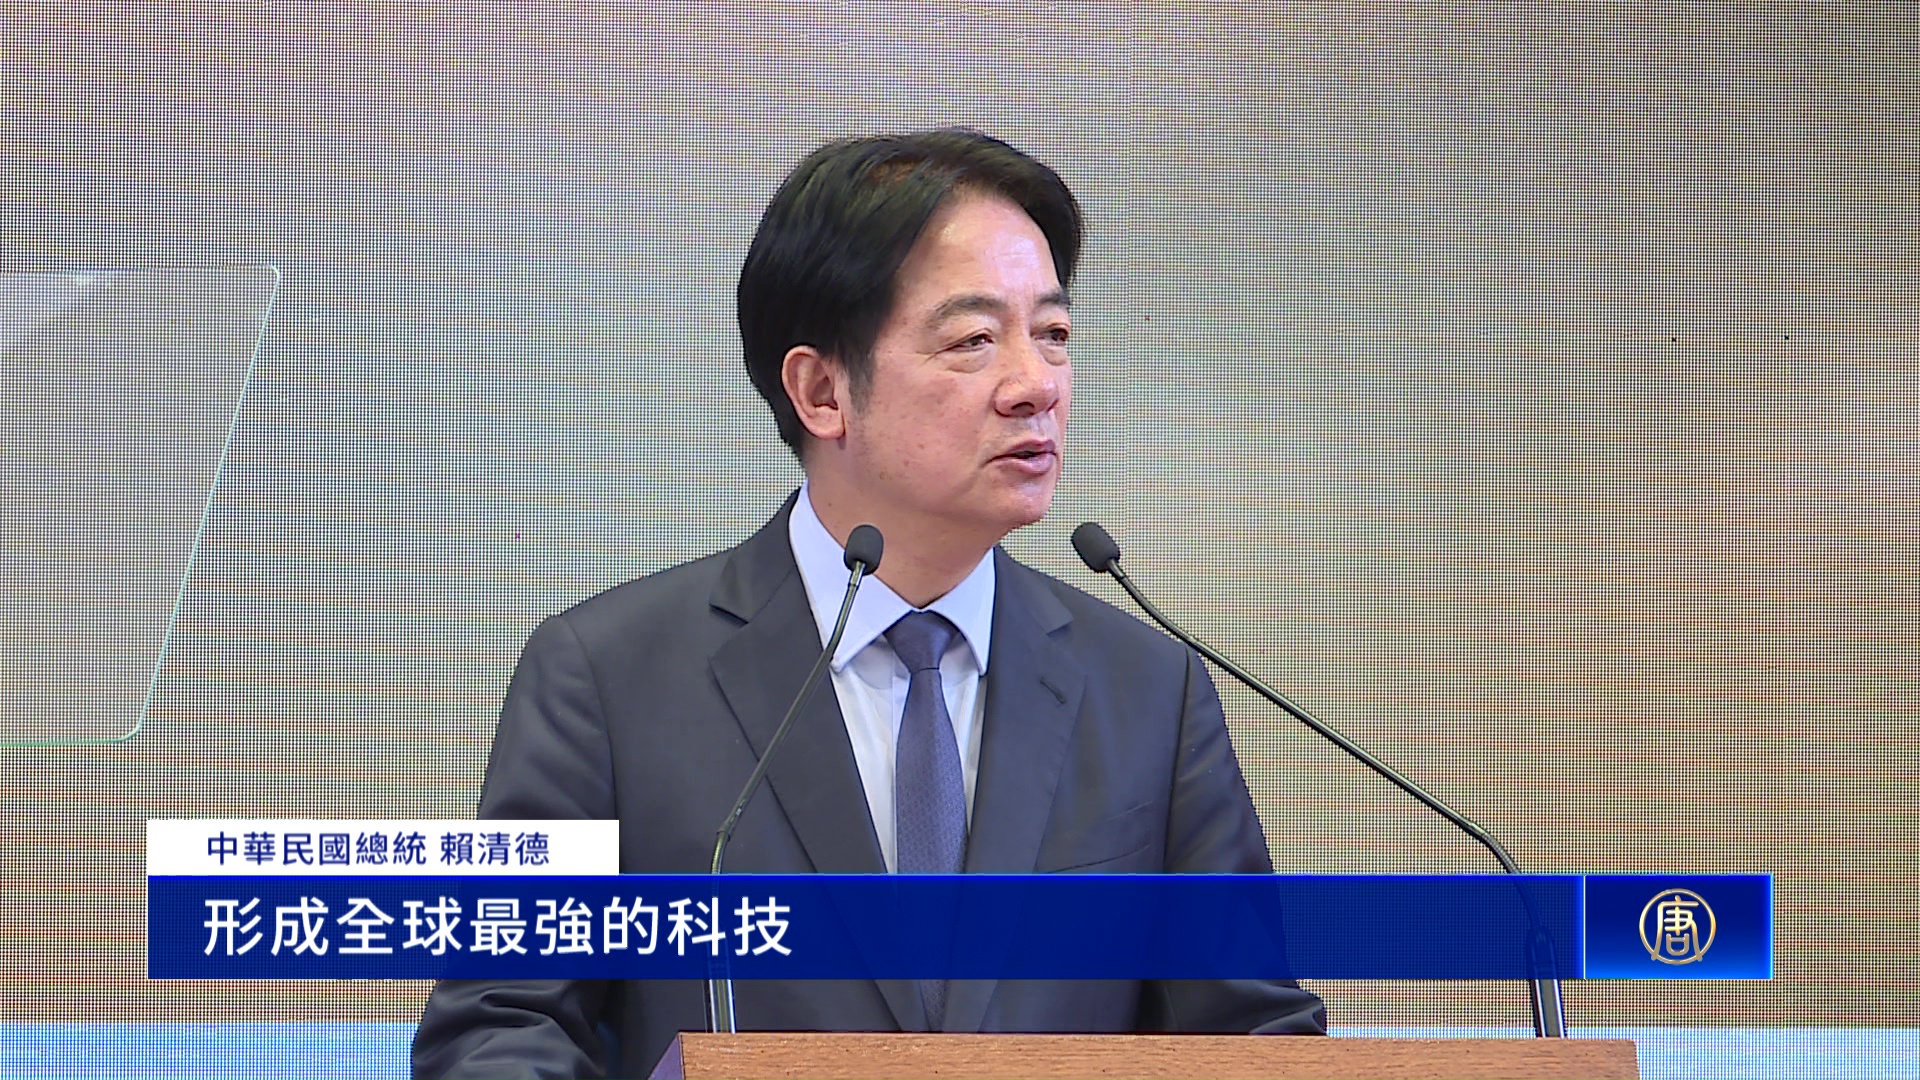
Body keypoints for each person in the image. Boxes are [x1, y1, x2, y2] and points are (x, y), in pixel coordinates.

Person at [413, 127, 1326, 1079]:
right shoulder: (608, 678)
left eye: (1053, 335)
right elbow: (500, 1027)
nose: (1036, 385)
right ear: (821, 391)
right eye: (974, 340)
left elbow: (1251, 1031)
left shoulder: (1146, 688)